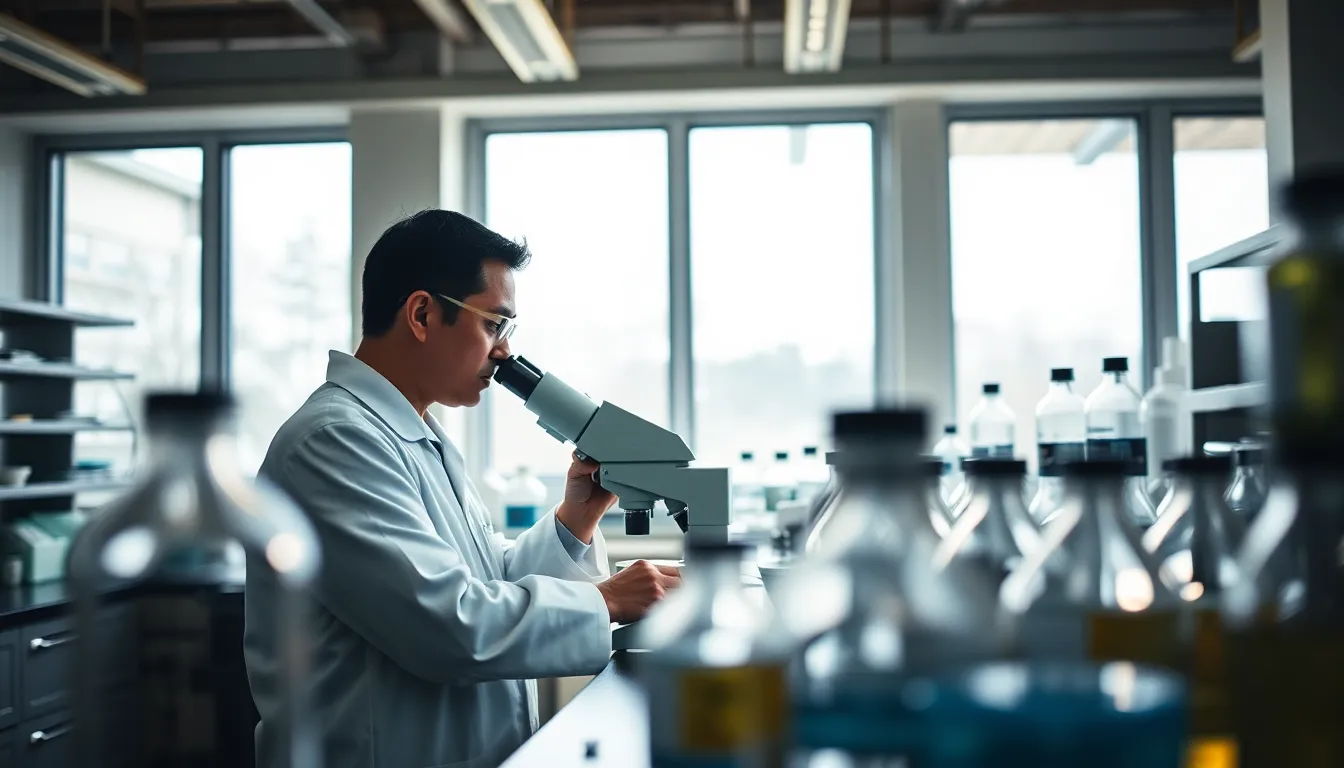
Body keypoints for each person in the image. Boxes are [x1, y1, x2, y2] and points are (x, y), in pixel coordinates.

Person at [243, 210, 682, 768]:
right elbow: (447, 624)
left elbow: (483, 579)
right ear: (423, 314)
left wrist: (575, 519)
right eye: (494, 325)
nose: (503, 352)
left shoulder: (411, 433)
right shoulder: (334, 442)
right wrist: (609, 598)